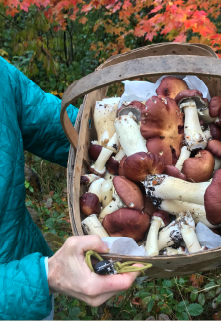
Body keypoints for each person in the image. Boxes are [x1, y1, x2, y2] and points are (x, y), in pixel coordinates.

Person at [0, 57, 141, 320]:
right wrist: (48, 276)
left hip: (30, 261)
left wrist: (125, 127)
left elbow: (47, 123)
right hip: (29, 285)